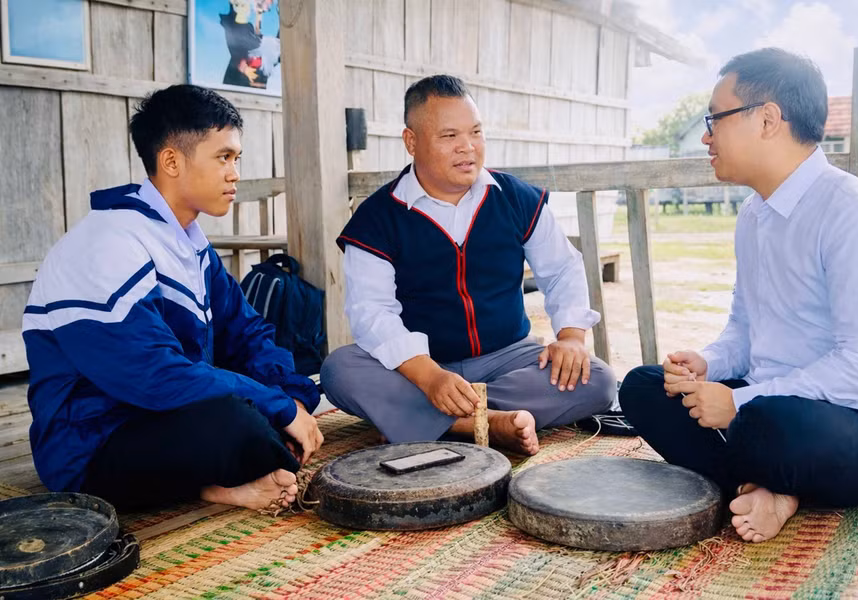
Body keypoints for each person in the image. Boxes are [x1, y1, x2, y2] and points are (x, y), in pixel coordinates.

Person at [618, 48, 858, 543]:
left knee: (769, 422)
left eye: (715, 119)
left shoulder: (855, 213)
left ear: (768, 119)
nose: (706, 136)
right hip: (767, 405)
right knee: (645, 386)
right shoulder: (754, 215)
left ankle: (778, 484)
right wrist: (707, 363)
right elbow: (745, 329)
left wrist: (741, 401)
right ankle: (772, 484)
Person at [23, 84, 323, 511]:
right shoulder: (106, 244)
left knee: (285, 403)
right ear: (171, 161)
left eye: (236, 158)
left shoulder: (189, 243)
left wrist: (290, 398)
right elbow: (155, 375)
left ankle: (224, 475)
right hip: (93, 442)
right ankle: (210, 485)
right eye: (223, 157)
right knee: (244, 427)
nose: (235, 172)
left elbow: (246, 331)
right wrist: (277, 408)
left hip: (165, 417)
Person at [320, 75, 617, 455]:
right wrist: (430, 378)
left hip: (508, 358)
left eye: (476, 132)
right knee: (340, 370)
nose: (468, 148)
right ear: (411, 142)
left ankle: (431, 423)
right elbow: (372, 313)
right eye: (449, 136)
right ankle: (483, 424)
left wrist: (572, 338)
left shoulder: (515, 199)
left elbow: (562, 269)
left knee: (600, 380)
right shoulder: (377, 218)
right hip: (418, 367)